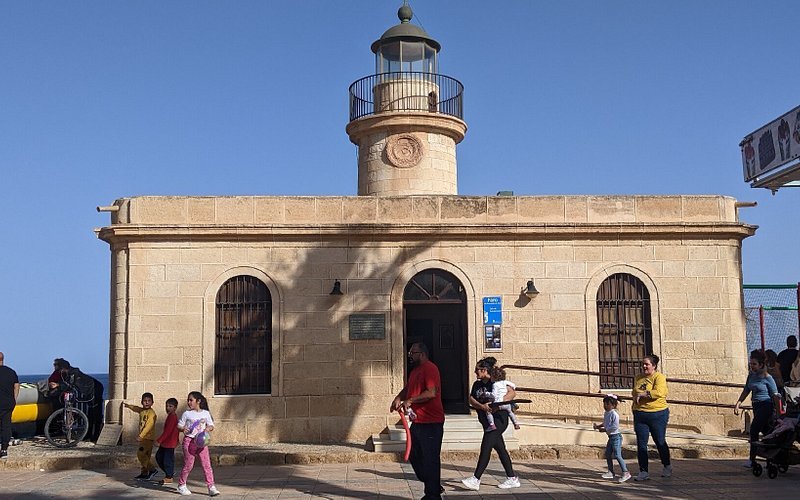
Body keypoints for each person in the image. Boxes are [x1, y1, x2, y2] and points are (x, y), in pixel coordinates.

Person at [390, 342, 445, 500]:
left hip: (431, 421)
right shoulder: (415, 371)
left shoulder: (430, 369)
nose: (410, 355)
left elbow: (431, 392)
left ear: (422, 354)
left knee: (430, 458)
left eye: (413, 353)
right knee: (414, 455)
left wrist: (411, 401)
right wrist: (399, 398)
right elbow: (408, 388)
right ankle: (432, 483)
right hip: (418, 421)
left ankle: (432, 494)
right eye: (410, 353)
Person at [461, 357, 520, 491]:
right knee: (500, 449)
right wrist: (482, 406)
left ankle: (476, 479)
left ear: (484, 370)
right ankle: (512, 478)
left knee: (486, 447)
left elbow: (512, 393)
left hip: (498, 420)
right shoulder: (477, 384)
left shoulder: (497, 381)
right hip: (486, 420)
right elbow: (471, 399)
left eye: (477, 370)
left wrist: (497, 403)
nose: (475, 372)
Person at [734, 349, 782, 468]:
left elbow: (775, 395)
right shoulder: (751, 376)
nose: (752, 366)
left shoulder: (768, 378)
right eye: (751, 364)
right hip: (756, 405)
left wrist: (779, 414)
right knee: (766, 432)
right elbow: (746, 390)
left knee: (754, 430)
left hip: (766, 406)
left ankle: (752, 459)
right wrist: (739, 403)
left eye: (754, 364)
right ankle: (772, 458)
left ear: (761, 364)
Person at [631, 353, 672, 481]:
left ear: (653, 366)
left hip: (657, 414)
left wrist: (643, 394)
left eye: (647, 364)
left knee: (659, 441)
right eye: (643, 364)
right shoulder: (638, 377)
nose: (644, 366)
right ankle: (643, 471)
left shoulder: (659, 377)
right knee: (641, 444)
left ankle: (666, 464)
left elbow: (660, 392)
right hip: (640, 414)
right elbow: (634, 392)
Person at [49, 359, 104, 441]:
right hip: (89, 391)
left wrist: (57, 385)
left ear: (62, 367)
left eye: (57, 367)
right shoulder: (67, 373)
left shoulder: (74, 372)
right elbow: (66, 385)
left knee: (96, 413)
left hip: (95, 389)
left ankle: (95, 435)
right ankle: (88, 434)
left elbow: (69, 384)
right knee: (90, 414)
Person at [177, 391, 220, 497]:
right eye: (188, 400)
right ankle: (181, 485)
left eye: (191, 400)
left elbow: (211, 425)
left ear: (198, 401)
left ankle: (211, 487)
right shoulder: (186, 414)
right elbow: (179, 425)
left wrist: (207, 429)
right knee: (188, 464)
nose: (189, 402)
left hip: (202, 442)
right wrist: (183, 429)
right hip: (189, 441)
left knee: (207, 465)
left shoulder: (205, 413)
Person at [593, 394, 631, 483]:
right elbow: (606, 423)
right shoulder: (607, 413)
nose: (605, 406)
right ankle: (610, 472)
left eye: (607, 404)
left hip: (616, 437)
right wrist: (598, 426)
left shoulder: (615, 414)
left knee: (617, 455)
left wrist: (604, 429)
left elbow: (614, 426)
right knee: (608, 454)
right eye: (604, 404)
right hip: (611, 437)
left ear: (613, 405)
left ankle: (626, 472)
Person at [124, 393, 158, 480]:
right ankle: (144, 473)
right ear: (142, 402)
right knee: (146, 456)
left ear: (152, 402)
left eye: (149, 401)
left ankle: (152, 470)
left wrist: (141, 436)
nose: (147, 403)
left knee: (140, 454)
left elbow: (148, 426)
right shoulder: (142, 411)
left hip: (147, 438)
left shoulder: (151, 414)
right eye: (145, 401)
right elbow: (136, 408)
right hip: (144, 439)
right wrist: (128, 406)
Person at [0, 352, 20, 460]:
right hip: (8, 403)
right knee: (6, 425)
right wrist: (14, 399)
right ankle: (4, 450)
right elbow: (16, 386)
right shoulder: (11, 372)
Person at [155, 397, 179, 485]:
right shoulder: (170, 416)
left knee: (167, 460)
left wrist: (159, 440)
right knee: (159, 457)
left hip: (169, 443)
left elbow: (168, 431)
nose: (168, 408)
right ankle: (169, 473)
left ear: (175, 408)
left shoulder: (172, 417)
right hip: (166, 443)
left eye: (170, 406)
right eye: (167, 406)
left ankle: (169, 476)